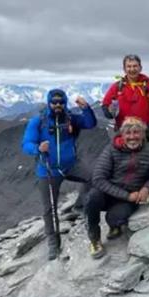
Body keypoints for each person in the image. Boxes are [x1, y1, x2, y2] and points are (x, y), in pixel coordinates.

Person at [21, 89, 97, 260]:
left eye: (61, 102)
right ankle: (53, 244)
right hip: (48, 169)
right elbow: (26, 143)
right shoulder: (38, 121)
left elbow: (90, 123)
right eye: (54, 102)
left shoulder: (70, 118)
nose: (57, 105)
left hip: (71, 165)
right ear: (49, 103)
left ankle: (80, 206)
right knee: (50, 208)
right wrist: (37, 149)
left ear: (65, 103)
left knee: (93, 178)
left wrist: (86, 109)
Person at [86, 117, 149, 259]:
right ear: (122, 135)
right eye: (128, 133)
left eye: (136, 132)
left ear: (143, 134)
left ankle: (114, 225)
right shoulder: (111, 149)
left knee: (115, 218)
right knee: (92, 197)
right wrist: (127, 196)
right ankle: (94, 239)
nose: (132, 137)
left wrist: (146, 188)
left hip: (131, 196)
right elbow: (98, 178)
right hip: (111, 193)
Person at [101, 54, 149, 133]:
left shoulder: (147, 85)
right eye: (129, 66)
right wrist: (109, 112)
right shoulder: (117, 87)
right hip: (124, 134)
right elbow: (106, 104)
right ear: (124, 69)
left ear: (140, 68)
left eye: (135, 66)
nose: (132, 69)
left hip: (145, 132)